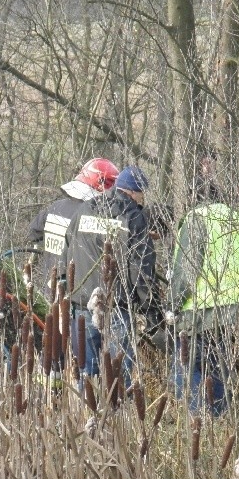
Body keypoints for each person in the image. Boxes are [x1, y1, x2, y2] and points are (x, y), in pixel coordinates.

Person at [166, 168, 239, 416]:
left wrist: (171, 305)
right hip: (236, 312)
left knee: (187, 368)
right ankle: (219, 422)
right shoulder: (237, 219)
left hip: (201, 312)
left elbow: (187, 271)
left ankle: (198, 425)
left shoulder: (197, 219)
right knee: (218, 371)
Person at [63, 166, 155, 394]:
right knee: (117, 375)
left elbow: (67, 251)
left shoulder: (84, 209)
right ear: (135, 192)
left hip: (81, 304)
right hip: (117, 307)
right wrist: (150, 308)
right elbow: (140, 269)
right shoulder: (133, 217)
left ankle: (87, 417)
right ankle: (114, 417)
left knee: (86, 372)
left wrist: (68, 287)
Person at [27, 158, 120, 299]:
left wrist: (52, 250)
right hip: (80, 295)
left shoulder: (54, 207)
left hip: (51, 289)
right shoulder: (94, 217)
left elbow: (33, 233)